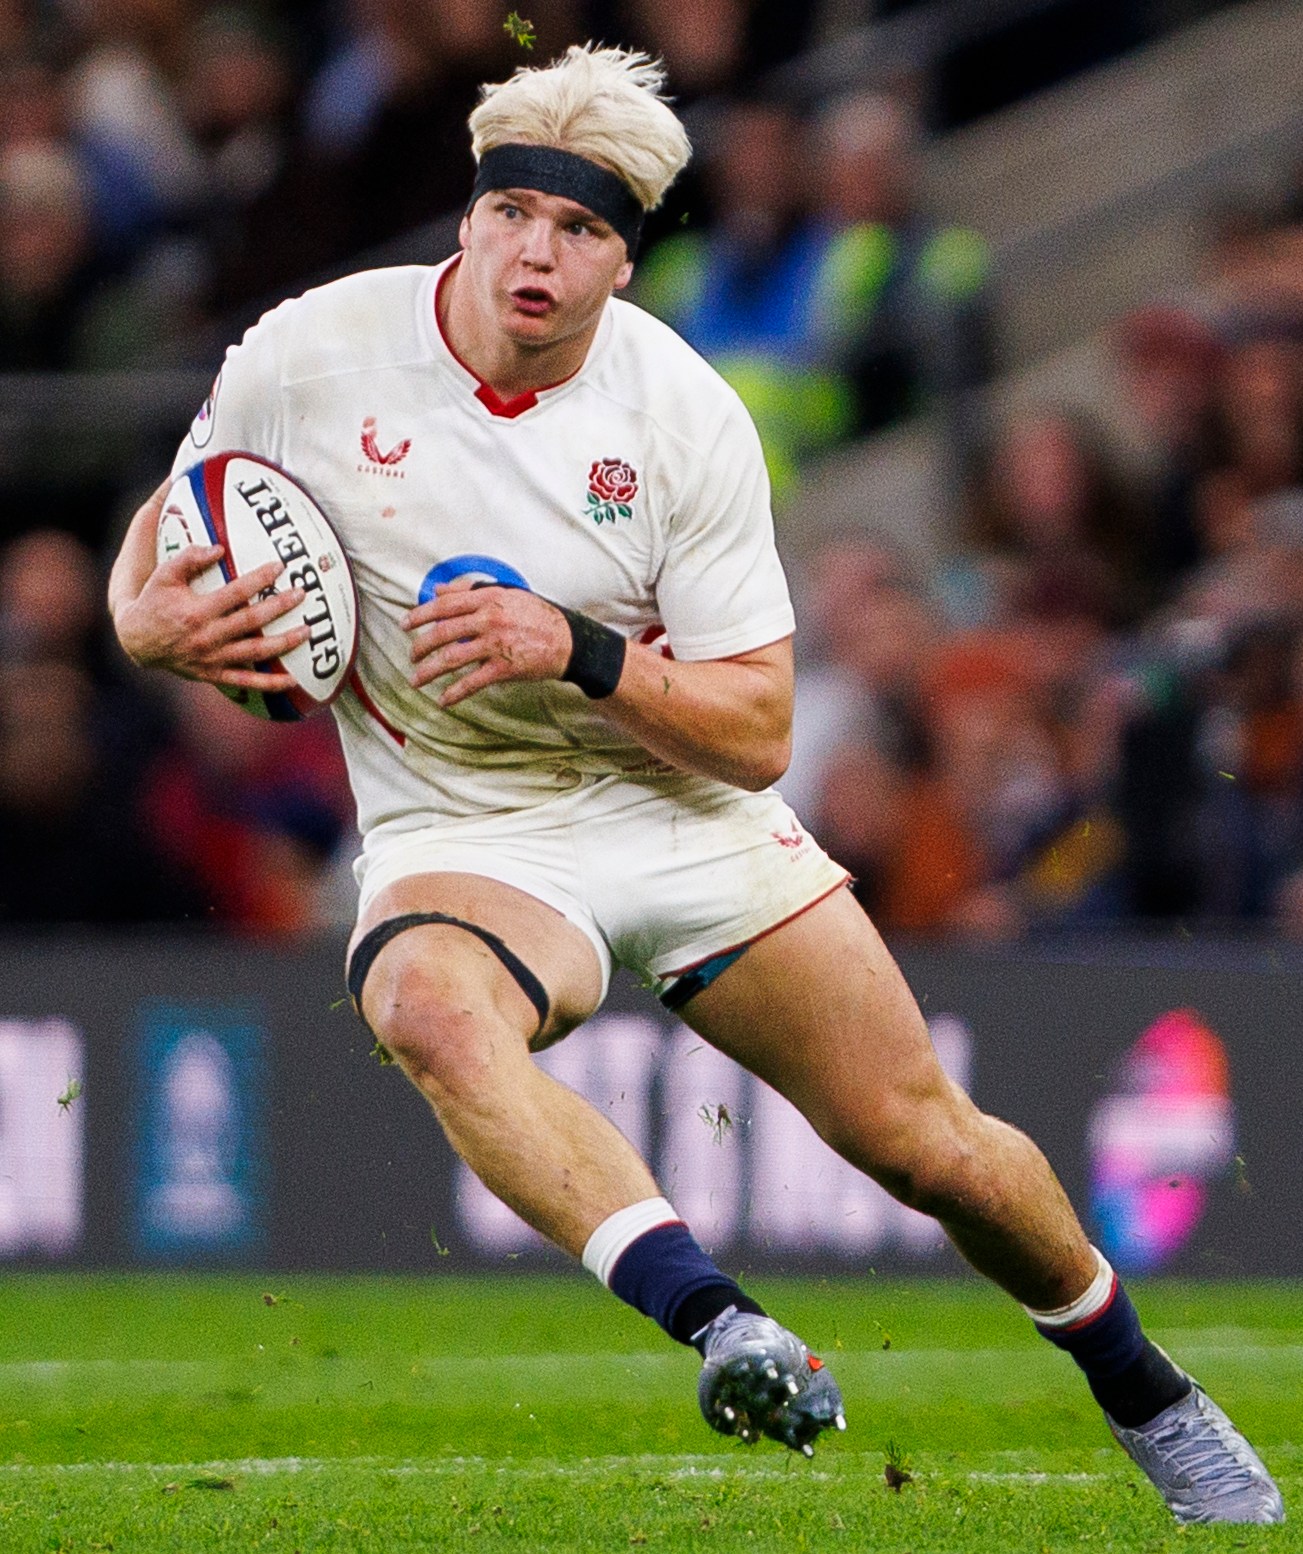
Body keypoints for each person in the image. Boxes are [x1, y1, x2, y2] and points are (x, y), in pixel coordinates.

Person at [107, 44, 1282, 1522]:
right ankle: (724, 1322)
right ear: (468, 217)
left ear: (627, 254)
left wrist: (579, 651)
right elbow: (176, 508)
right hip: (464, 817)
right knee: (424, 1007)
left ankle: (1148, 1394)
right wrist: (136, 617)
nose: (537, 251)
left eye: (581, 228)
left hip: (679, 800)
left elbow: (760, 728)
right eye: (514, 212)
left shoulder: (684, 417)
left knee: (929, 1145)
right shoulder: (309, 352)